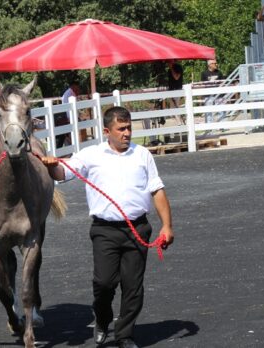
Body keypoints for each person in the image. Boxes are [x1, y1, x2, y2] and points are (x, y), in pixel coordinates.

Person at [41, 106, 174, 348]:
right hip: (105, 230)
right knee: (104, 283)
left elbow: (157, 190)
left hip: (138, 228)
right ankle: (102, 319)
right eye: (121, 129)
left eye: (129, 128)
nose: (127, 133)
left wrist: (167, 225)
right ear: (106, 131)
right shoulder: (91, 155)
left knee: (133, 287)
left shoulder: (142, 154)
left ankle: (124, 336)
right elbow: (62, 173)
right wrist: (51, 165)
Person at [200, 59, 226, 135]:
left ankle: (222, 126)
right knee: (208, 111)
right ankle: (209, 127)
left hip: (219, 94)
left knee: (221, 110)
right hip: (208, 95)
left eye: (216, 63)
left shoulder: (219, 72)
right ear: (210, 65)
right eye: (214, 63)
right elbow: (202, 84)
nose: (216, 64)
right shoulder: (204, 73)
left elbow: (222, 82)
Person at [57, 81, 81, 147]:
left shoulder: (70, 92)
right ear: (73, 86)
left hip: (69, 116)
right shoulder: (69, 93)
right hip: (69, 117)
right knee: (69, 135)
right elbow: (67, 107)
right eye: (77, 87)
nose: (78, 89)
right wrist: (71, 118)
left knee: (68, 135)